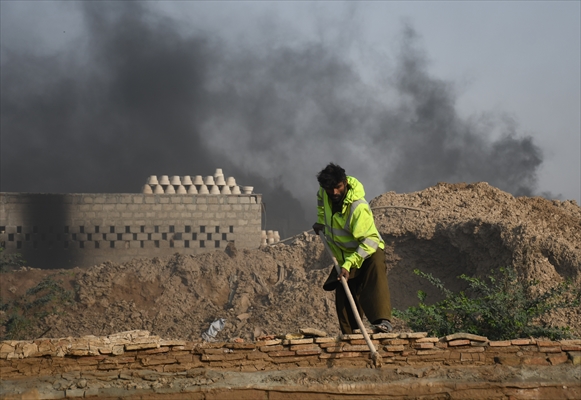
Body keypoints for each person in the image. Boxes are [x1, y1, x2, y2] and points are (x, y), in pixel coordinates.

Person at [313, 163, 392, 334]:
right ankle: (351, 338)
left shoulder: (358, 208)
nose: (334, 192)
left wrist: (348, 264)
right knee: (344, 298)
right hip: (345, 254)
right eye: (330, 189)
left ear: (345, 183)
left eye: (338, 187)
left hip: (367, 252)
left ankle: (382, 323)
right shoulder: (324, 193)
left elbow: (370, 240)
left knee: (374, 278)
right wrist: (321, 221)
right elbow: (321, 204)